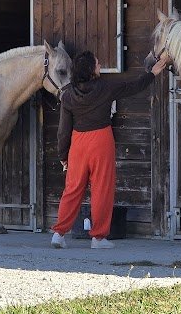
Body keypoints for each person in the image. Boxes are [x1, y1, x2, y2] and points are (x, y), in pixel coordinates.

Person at [51, 51, 168, 249]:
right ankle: (98, 238)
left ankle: (58, 234)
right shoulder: (105, 88)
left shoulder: (68, 95)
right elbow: (132, 86)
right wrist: (152, 73)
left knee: (72, 189)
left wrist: (63, 155)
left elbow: (63, 131)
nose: (99, 65)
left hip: (78, 143)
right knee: (102, 189)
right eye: (97, 64)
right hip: (101, 140)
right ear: (91, 70)